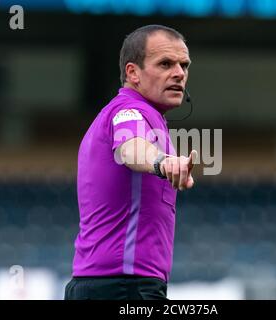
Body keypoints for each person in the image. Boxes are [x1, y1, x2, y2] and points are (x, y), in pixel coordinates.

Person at [65, 25, 197, 300]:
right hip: (124, 287)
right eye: (165, 63)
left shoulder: (143, 116)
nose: (179, 73)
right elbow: (131, 149)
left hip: (110, 285)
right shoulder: (129, 111)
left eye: (183, 65)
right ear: (132, 72)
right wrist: (163, 163)